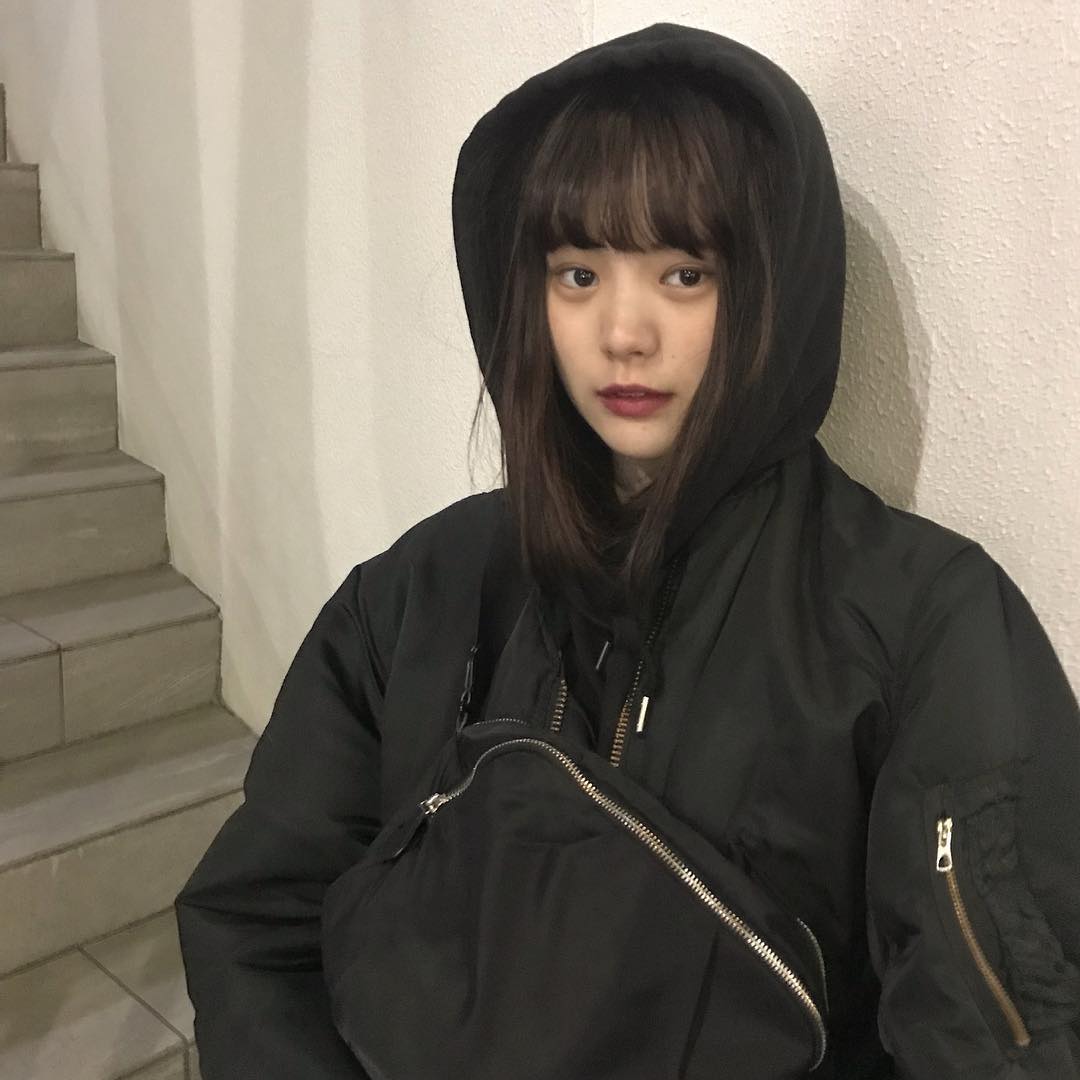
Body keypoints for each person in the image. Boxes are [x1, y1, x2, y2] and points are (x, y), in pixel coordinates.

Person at [174, 21, 1080, 1079]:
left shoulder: (923, 621)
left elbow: (999, 1031)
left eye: (684, 273)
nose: (622, 333)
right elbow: (259, 922)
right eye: (577, 274)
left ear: (772, 289)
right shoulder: (424, 591)